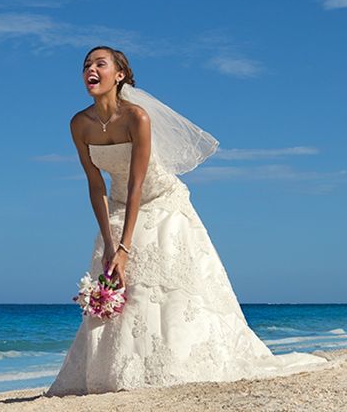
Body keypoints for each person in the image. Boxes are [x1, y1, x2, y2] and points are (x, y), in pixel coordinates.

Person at [48, 47, 325, 396]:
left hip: (161, 201)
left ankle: (177, 364)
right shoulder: (80, 124)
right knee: (116, 280)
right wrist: (108, 240)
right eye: (86, 65)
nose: (90, 69)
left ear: (119, 75)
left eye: (99, 64)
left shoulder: (138, 118)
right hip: (119, 204)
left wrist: (124, 245)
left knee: (165, 284)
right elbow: (95, 184)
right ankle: (118, 373)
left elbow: (138, 182)